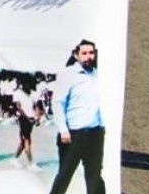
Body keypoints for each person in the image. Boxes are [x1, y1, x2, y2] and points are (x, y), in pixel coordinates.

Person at [49, 40, 106, 194]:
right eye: (84, 53)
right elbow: (57, 103)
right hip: (74, 134)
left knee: (94, 176)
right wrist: (63, 130)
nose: (89, 57)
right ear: (76, 55)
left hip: (95, 133)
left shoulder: (98, 74)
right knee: (64, 175)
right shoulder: (68, 74)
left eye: (91, 53)